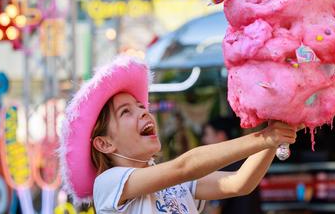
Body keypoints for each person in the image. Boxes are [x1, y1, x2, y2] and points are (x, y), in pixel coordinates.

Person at [59, 55, 297, 213]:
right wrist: (267, 138)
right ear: (104, 143)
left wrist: (280, 127)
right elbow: (184, 167)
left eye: (142, 107)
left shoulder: (174, 182)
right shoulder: (108, 183)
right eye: (126, 112)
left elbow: (239, 183)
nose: (144, 113)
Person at [201, 117, 263, 214]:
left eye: (207, 134)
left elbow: (213, 210)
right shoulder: (244, 160)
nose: (204, 140)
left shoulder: (223, 165)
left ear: (221, 136)